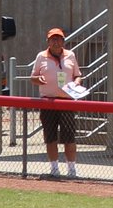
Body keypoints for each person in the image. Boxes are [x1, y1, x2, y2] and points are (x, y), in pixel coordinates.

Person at [30, 27, 84, 179]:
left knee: (69, 137)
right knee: (50, 137)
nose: (56, 41)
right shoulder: (41, 56)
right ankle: (54, 169)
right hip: (48, 102)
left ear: (63, 41)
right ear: (48, 41)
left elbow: (77, 75)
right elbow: (33, 77)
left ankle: (72, 170)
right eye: (53, 39)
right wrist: (38, 79)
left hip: (67, 101)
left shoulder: (70, 55)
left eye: (59, 38)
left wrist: (77, 83)